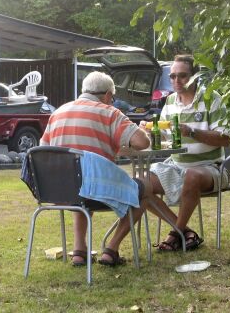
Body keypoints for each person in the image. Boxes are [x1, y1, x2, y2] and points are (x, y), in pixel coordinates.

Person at [39, 71, 153, 267]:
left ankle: (79, 252)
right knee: (146, 188)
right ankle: (111, 249)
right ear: (108, 95)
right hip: (94, 192)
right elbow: (142, 142)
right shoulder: (110, 113)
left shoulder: (58, 113)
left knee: (80, 179)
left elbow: (43, 149)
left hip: (59, 191)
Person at [147, 54, 230, 251]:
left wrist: (192, 132)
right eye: (173, 76)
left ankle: (174, 234)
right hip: (175, 165)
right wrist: (151, 133)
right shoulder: (169, 102)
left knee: (192, 176)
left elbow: (225, 139)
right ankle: (184, 231)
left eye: (182, 76)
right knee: (141, 184)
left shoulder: (212, 98)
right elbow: (167, 141)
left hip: (210, 167)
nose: (176, 81)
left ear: (195, 76)